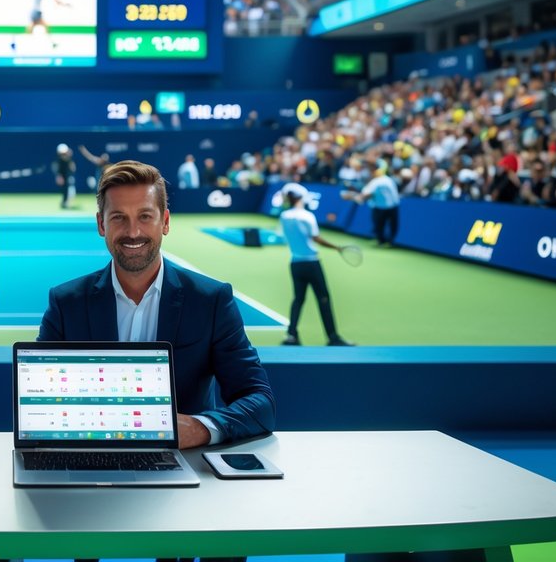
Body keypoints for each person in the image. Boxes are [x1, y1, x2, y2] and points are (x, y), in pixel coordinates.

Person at [39, 160, 275, 448]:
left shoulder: (211, 301)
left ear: (165, 221)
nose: (133, 232)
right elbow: (40, 401)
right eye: (118, 217)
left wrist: (199, 429)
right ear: (101, 224)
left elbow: (260, 402)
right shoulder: (66, 303)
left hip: (182, 462)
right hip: (88, 456)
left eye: (145, 216)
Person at [277, 183, 354, 347]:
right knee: (323, 299)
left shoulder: (284, 216)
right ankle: (333, 337)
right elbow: (316, 238)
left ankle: (291, 335)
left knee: (298, 299)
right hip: (312, 264)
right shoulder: (308, 216)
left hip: (295, 264)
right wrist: (337, 247)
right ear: (300, 198)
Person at [354, 165, 401, 247]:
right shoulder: (389, 180)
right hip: (392, 206)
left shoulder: (376, 182)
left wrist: (358, 197)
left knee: (380, 225)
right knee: (391, 225)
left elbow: (366, 194)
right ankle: (388, 241)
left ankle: (382, 241)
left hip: (382, 207)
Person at [54, 143, 76, 209]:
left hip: (68, 177)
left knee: (70, 190)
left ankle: (66, 202)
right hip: (63, 177)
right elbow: (58, 170)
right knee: (65, 190)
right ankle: (64, 202)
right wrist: (59, 177)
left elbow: (73, 168)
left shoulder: (69, 160)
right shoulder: (59, 161)